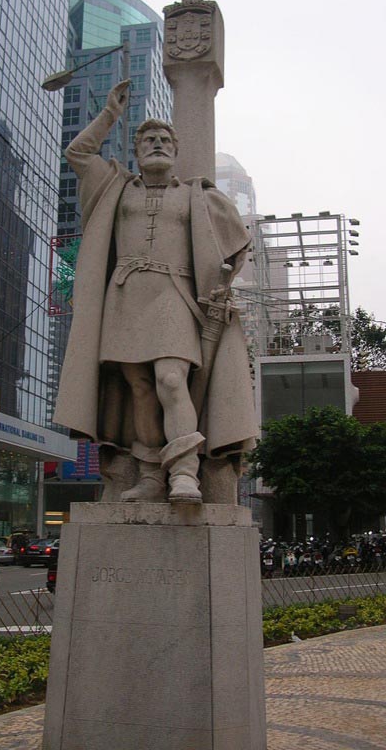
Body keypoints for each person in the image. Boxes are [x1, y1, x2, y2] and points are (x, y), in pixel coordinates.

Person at [53, 79, 257, 504]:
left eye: (165, 139)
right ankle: (149, 476)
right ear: (136, 150)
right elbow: (78, 153)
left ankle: (184, 472)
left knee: (169, 377)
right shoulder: (117, 186)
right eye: (148, 140)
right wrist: (110, 114)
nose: (157, 144)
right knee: (139, 389)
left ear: (176, 150)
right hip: (125, 295)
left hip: (174, 293)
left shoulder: (197, 196)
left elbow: (235, 244)